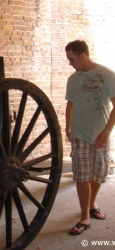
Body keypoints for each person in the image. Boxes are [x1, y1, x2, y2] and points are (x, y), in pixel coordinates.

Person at [65, 40, 115, 235]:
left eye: (72, 59)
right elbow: (70, 105)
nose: (70, 63)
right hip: (80, 134)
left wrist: (106, 132)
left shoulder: (108, 76)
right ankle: (84, 216)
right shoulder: (73, 79)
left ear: (83, 55)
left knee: (98, 174)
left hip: (100, 134)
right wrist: (68, 128)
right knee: (82, 175)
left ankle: (92, 203)